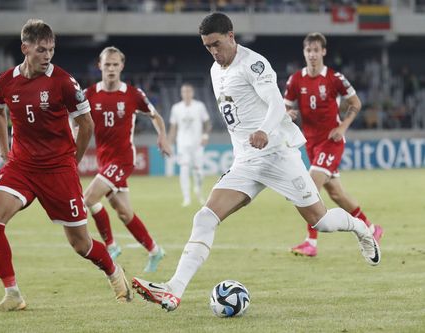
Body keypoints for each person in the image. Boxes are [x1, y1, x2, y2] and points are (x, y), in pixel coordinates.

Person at [131, 12, 381, 312]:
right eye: (207, 46)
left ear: (231, 36)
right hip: (247, 161)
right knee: (204, 217)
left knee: (321, 221)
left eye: (217, 44)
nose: (213, 51)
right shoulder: (215, 70)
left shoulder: (253, 63)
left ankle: (361, 229)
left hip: (278, 155)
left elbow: (275, 102)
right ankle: (174, 289)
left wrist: (265, 128)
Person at [0, 19, 132, 312]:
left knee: (81, 245)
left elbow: (85, 124)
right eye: (41, 50)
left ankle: (114, 271)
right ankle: (12, 294)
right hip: (22, 165)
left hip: (58, 170)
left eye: (51, 49)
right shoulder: (3, 82)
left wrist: (71, 161)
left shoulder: (63, 82)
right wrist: (4, 149)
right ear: (25, 48)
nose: (47, 55)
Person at [284, 32, 383, 257]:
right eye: (308, 50)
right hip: (310, 143)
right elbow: (284, 106)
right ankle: (371, 228)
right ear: (304, 53)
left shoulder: (334, 78)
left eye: (316, 50)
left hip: (331, 142)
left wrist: (343, 127)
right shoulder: (295, 80)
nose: (312, 54)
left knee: (309, 188)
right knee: (337, 194)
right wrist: (288, 113)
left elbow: (355, 103)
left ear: (323, 52)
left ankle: (311, 243)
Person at [83, 46, 172, 272]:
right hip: (104, 160)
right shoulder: (89, 94)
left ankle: (111, 245)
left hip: (122, 159)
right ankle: (154, 250)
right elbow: (75, 121)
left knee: (89, 198)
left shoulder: (133, 94)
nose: (111, 68)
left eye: (115, 64)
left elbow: (156, 116)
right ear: (99, 66)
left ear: (121, 66)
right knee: (124, 213)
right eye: (107, 64)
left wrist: (162, 136)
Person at [168, 83, 212, 207]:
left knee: (198, 171)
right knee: (184, 168)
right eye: (184, 92)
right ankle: (186, 198)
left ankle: (199, 191)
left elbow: (208, 123)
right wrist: (169, 143)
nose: (186, 94)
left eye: (188, 91)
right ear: (181, 93)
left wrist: (205, 136)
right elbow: (173, 127)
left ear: (192, 93)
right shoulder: (176, 108)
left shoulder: (199, 106)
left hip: (197, 144)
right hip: (182, 144)